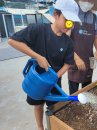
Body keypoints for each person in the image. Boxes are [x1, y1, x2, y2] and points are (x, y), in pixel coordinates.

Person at [8, 0, 80, 130]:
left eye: (72, 22)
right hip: (36, 79)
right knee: (38, 104)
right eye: (67, 20)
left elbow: (68, 63)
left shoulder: (68, 42)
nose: (70, 25)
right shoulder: (38, 29)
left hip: (53, 82)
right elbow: (12, 41)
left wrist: (55, 77)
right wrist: (37, 56)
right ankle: (40, 127)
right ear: (56, 14)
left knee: (55, 107)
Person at [68, 0, 97, 94]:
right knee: (73, 91)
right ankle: (73, 106)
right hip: (73, 57)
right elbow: (66, 40)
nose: (88, 2)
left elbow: (96, 36)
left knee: (87, 88)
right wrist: (76, 58)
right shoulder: (72, 15)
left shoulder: (95, 18)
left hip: (89, 57)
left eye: (91, 1)